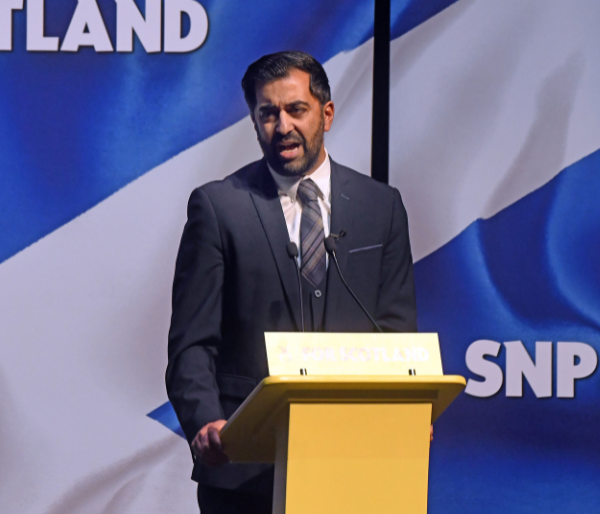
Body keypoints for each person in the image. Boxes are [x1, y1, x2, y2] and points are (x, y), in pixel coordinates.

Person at [165, 51, 417, 513]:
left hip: (355, 463)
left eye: (296, 110)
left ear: (326, 113)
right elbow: (191, 344)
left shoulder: (381, 207)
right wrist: (206, 422)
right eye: (268, 113)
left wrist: (406, 407)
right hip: (245, 470)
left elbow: (397, 331)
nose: (282, 126)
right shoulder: (219, 208)